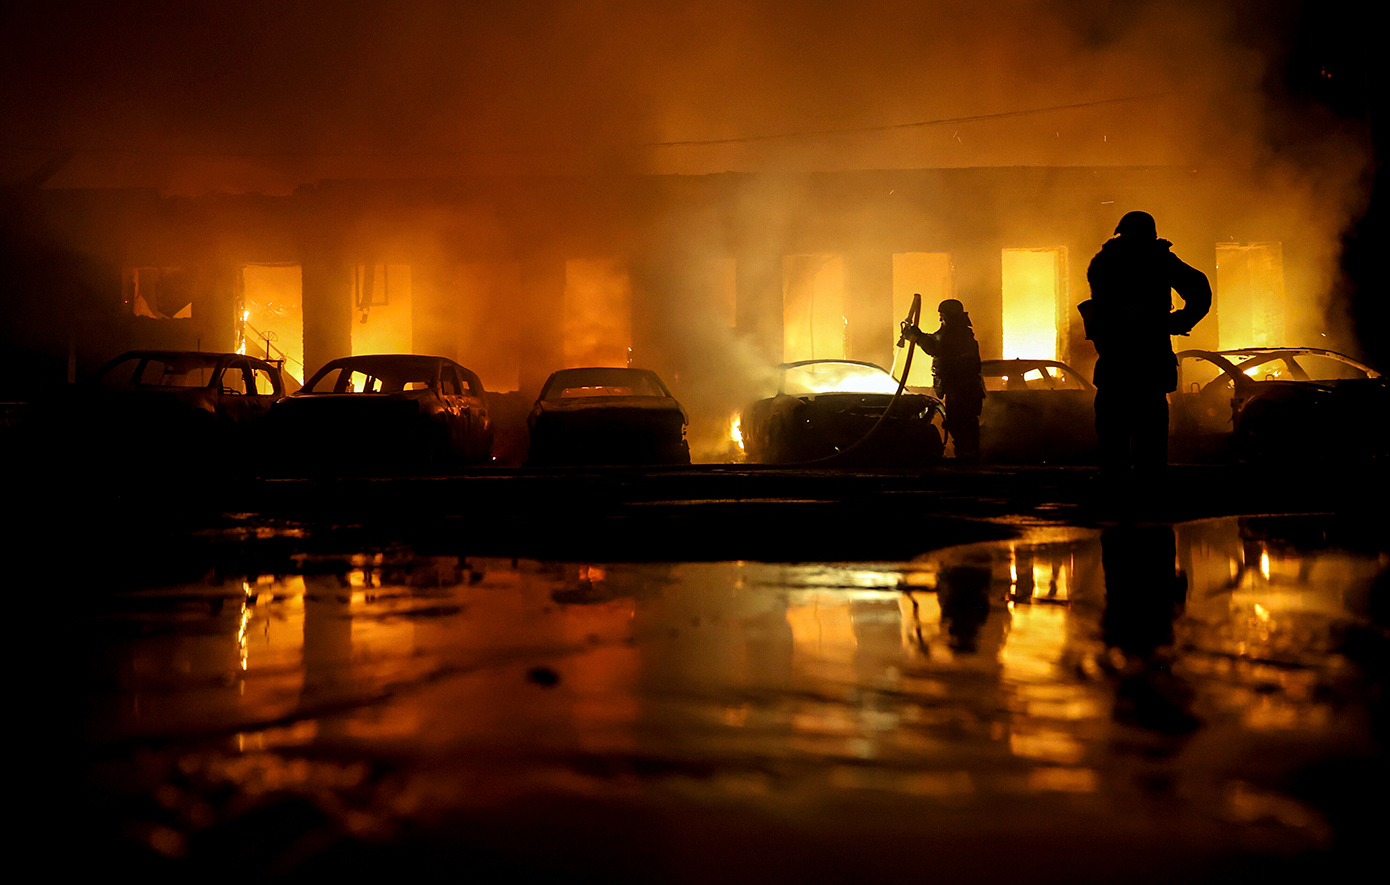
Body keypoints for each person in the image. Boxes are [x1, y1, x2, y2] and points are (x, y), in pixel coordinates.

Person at [1081, 211, 1211, 481]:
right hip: (1149, 361)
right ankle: (1147, 492)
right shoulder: (1158, 259)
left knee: (1113, 433)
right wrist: (1180, 320)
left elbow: (1104, 306)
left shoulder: (1105, 262)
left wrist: (1176, 320)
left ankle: (1114, 488)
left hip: (1117, 361)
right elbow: (1199, 287)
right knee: (1148, 435)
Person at [902, 298, 986, 461]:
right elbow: (935, 339)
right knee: (956, 422)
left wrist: (918, 337)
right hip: (956, 387)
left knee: (962, 423)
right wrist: (915, 335)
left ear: (949, 315)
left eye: (943, 315)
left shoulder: (958, 335)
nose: (941, 319)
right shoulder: (954, 332)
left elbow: (937, 348)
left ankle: (968, 459)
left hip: (963, 388)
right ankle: (965, 456)